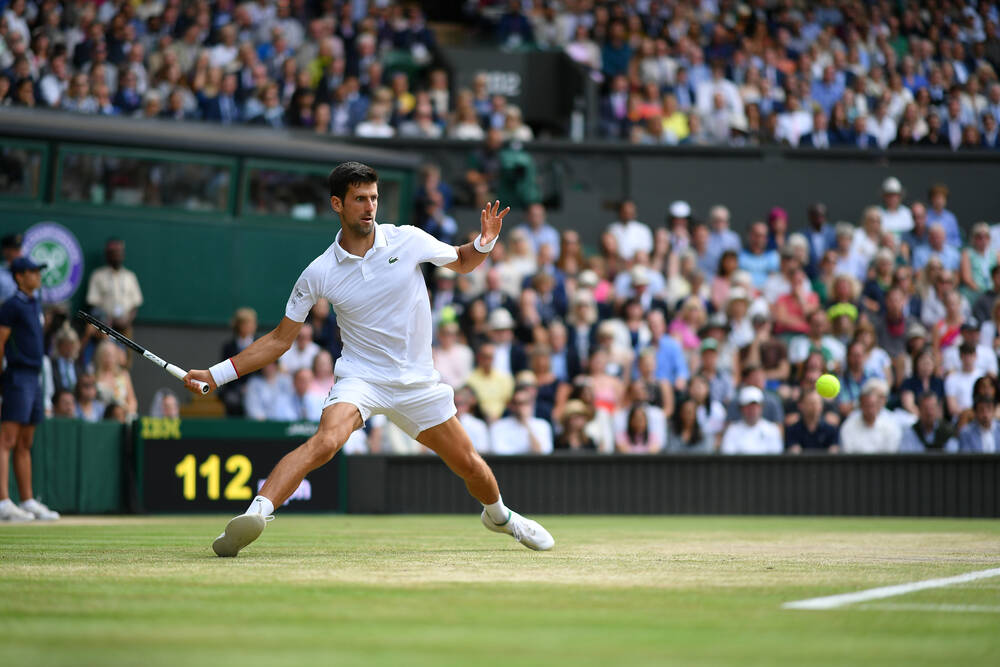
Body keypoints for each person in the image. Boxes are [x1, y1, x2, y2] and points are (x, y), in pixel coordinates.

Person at [184, 162, 553, 555]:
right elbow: (278, 340)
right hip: (362, 378)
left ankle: (501, 518)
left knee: (471, 465)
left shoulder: (407, 239)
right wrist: (217, 374)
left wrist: (484, 242)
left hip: (418, 382)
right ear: (337, 204)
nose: (370, 206)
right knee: (326, 441)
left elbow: (462, 262)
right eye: (360, 199)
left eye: (374, 198)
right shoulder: (319, 272)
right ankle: (256, 514)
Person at [0, 257, 59, 521]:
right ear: (19, 277)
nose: (38, 275)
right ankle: (3, 502)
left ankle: (26, 500)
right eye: (32, 271)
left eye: (38, 271)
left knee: (26, 442)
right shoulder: (11, 306)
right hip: (17, 375)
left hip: (34, 377)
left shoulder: (35, 303)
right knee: (7, 440)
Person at [85, 238, 143, 336]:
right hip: (104, 326)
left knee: (129, 346)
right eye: (113, 252)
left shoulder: (130, 276)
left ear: (123, 254)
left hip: (125, 325)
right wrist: (108, 319)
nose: (117, 255)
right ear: (107, 255)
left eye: (119, 252)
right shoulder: (98, 275)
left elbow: (136, 304)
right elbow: (92, 303)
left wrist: (126, 321)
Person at [839, 379, 902, 453]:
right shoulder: (849, 425)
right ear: (861, 405)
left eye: (873, 406)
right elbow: (847, 452)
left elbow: (891, 454)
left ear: (879, 406)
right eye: (867, 405)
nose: (870, 410)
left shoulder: (891, 424)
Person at [489, 386, 554, 455]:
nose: (520, 407)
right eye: (517, 403)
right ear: (511, 405)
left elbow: (543, 452)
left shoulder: (543, 425)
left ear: (532, 404)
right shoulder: (498, 426)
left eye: (525, 403)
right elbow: (498, 452)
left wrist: (527, 425)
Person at [720, 386, 783, 454]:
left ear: (761, 407)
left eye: (755, 406)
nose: (752, 410)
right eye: (748, 407)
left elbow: (776, 456)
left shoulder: (772, 430)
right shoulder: (732, 430)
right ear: (741, 408)